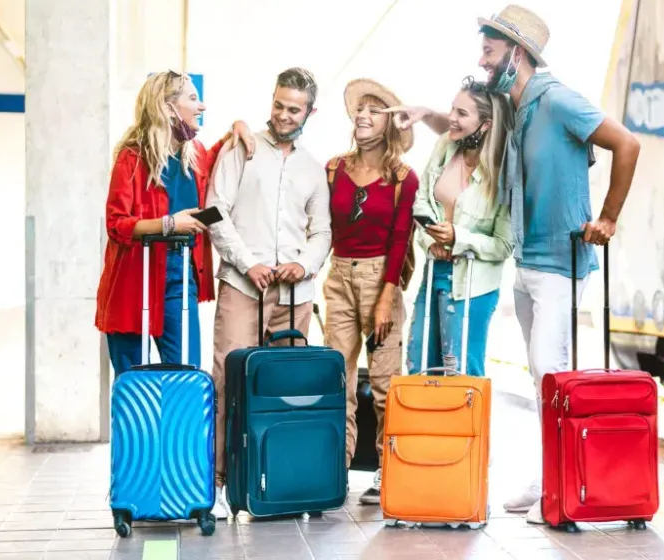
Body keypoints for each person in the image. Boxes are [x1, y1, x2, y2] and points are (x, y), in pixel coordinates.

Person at [386, 4, 641, 524]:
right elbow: (466, 125)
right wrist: (425, 113)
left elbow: (627, 143)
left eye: (489, 50)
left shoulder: (559, 101)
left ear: (516, 53)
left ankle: (562, 483)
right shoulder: (512, 105)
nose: (482, 61)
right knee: (541, 374)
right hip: (526, 259)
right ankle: (551, 476)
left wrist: (609, 218)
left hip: (562, 260)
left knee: (552, 370)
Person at [206, 67, 332, 519]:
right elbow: (213, 212)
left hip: (294, 297)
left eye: (293, 108)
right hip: (243, 287)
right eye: (278, 104)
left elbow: (322, 233)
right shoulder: (241, 150)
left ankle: (280, 482)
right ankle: (217, 486)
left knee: (286, 391)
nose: (282, 114)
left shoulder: (314, 169)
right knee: (227, 384)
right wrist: (248, 262)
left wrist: (306, 265)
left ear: (309, 112)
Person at [96, 70, 254, 377]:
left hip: (180, 279)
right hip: (135, 280)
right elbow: (117, 224)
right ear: (169, 108)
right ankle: (140, 428)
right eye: (193, 99)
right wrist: (168, 224)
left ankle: (177, 427)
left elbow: (205, 212)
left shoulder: (193, 156)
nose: (202, 106)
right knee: (134, 382)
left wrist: (238, 126)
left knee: (186, 374)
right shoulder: (132, 158)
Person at [324, 78, 419, 505]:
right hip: (340, 276)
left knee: (385, 384)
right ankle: (336, 470)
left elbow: (399, 239)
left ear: (390, 124)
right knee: (337, 380)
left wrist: (386, 296)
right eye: (359, 109)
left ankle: (387, 470)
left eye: (373, 110)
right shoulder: (333, 169)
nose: (361, 115)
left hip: (382, 278)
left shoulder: (403, 178)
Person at [406, 76, 513, 378]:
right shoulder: (445, 146)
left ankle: (468, 427)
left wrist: (458, 239)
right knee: (419, 366)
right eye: (453, 109)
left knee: (462, 372)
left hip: (473, 285)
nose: (451, 119)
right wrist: (433, 239)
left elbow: (504, 245)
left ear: (486, 124)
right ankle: (423, 427)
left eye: (461, 114)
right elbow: (422, 201)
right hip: (434, 273)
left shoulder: (504, 173)